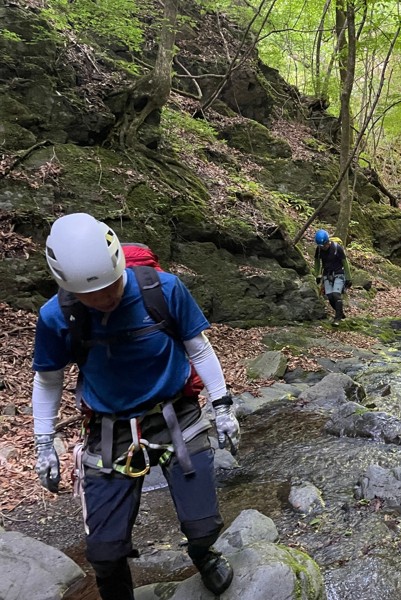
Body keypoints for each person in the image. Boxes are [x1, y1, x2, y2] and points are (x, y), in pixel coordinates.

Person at [31, 213, 240, 599]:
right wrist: (44, 444)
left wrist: (222, 405)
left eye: (109, 288)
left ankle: (202, 553)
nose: (103, 300)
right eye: (88, 296)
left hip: (177, 416)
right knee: (105, 553)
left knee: (204, 525)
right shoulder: (56, 316)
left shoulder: (164, 290)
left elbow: (199, 348)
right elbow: (48, 379)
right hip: (108, 430)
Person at [313, 229, 352, 326]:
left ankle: (337, 319)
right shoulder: (318, 250)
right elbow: (317, 262)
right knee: (330, 297)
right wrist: (317, 275)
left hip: (339, 273)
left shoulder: (337, 248)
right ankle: (340, 313)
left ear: (328, 242)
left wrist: (348, 278)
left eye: (324, 245)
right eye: (321, 246)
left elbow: (345, 262)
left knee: (336, 294)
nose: (323, 248)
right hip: (327, 274)